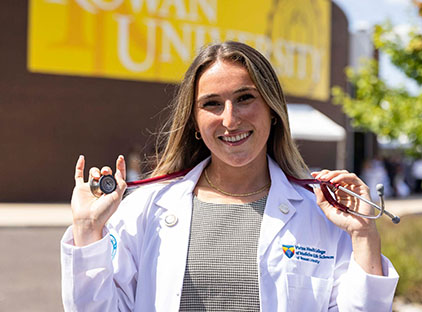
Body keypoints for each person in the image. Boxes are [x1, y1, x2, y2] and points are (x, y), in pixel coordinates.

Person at [61, 41, 399, 311]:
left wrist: (364, 235)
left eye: (245, 98)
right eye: (211, 104)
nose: (230, 119)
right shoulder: (146, 210)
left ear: (273, 109)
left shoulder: (322, 215)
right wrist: (89, 231)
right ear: (194, 122)